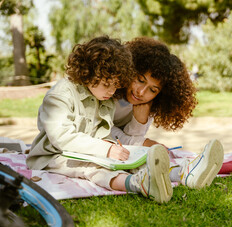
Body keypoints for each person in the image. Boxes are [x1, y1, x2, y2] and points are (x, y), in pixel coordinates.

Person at [26, 36, 175, 203]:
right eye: (107, 84)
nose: (112, 92)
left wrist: (112, 147)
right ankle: (138, 184)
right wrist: (106, 150)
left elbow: (102, 132)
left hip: (89, 153)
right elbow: (62, 138)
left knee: (128, 160)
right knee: (93, 169)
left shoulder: (104, 97)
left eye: (116, 85)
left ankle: (179, 173)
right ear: (88, 73)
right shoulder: (60, 95)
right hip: (53, 155)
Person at [111, 37, 224, 201]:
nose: (141, 92)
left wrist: (140, 126)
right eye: (140, 80)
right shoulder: (108, 91)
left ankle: (185, 173)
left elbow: (131, 140)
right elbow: (102, 131)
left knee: (139, 156)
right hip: (89, 140)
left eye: (152, 89)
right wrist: (143, 142)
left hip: (115, 147)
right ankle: (182, 172)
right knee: (140, 152)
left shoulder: (147, 105)